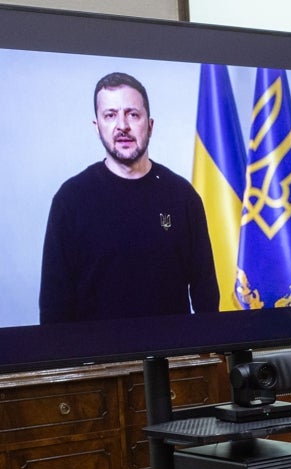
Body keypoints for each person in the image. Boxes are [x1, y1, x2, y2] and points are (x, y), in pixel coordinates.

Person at [40, 72, 219, 324]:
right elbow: (53, 307)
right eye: (110, 115)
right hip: (97, 360)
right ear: (97, 126)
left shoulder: (182, 196)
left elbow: (206, 297)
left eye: (132, 114)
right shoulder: (70, 200)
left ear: (150, 125)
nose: (122, 126)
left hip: (172, 357)